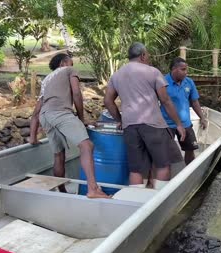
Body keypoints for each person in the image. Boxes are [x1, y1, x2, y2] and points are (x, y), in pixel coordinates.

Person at [104, 42, 185, 190]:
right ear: (142, 55)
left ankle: (137, 202)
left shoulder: (117, 75)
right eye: (147, 55)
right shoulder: (152, 72)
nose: (148, 58)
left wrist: (120, 120)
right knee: (163, 164)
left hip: (130, 126)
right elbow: (165, 100)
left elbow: (108, 101)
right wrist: (178, 124)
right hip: (153, 125)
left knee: (136, 169)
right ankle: (159, 200)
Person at [29, 53, 109, 198]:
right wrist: (81, 119)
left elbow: (36, 112)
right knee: (87, 146)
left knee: (59, 155)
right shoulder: (69, 71)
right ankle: (93, 189)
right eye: (71, 62)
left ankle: (62, 192)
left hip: (45, 116)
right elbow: (77, 94)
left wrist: (32, 137)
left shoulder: (47, 80)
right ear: (64, 63)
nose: (73, 65)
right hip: (60, 112)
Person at [161, 57, 207, 165]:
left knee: (190, 149)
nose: (186, 72)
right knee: (163, 152)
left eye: (186, 69)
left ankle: (189, 171)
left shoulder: (189, 82)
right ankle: (165, 176)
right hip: (167, 124)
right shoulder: (162, 82)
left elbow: (194, 102)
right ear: (174, 69)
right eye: (183, 69)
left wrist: (202, 118)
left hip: (185, 123)